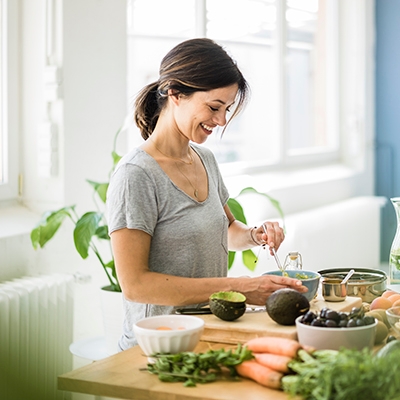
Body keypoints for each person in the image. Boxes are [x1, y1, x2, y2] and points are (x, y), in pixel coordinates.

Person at [107, 38, 308, 351]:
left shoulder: (206, 160)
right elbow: (136, 285)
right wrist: (240, 287)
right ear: (175, 93)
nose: (222, 120)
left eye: (227, 109)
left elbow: (226, 232)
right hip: (157, 347)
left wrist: (256, 235)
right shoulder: (136, 174)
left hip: (207, 335)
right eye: (214, 107)